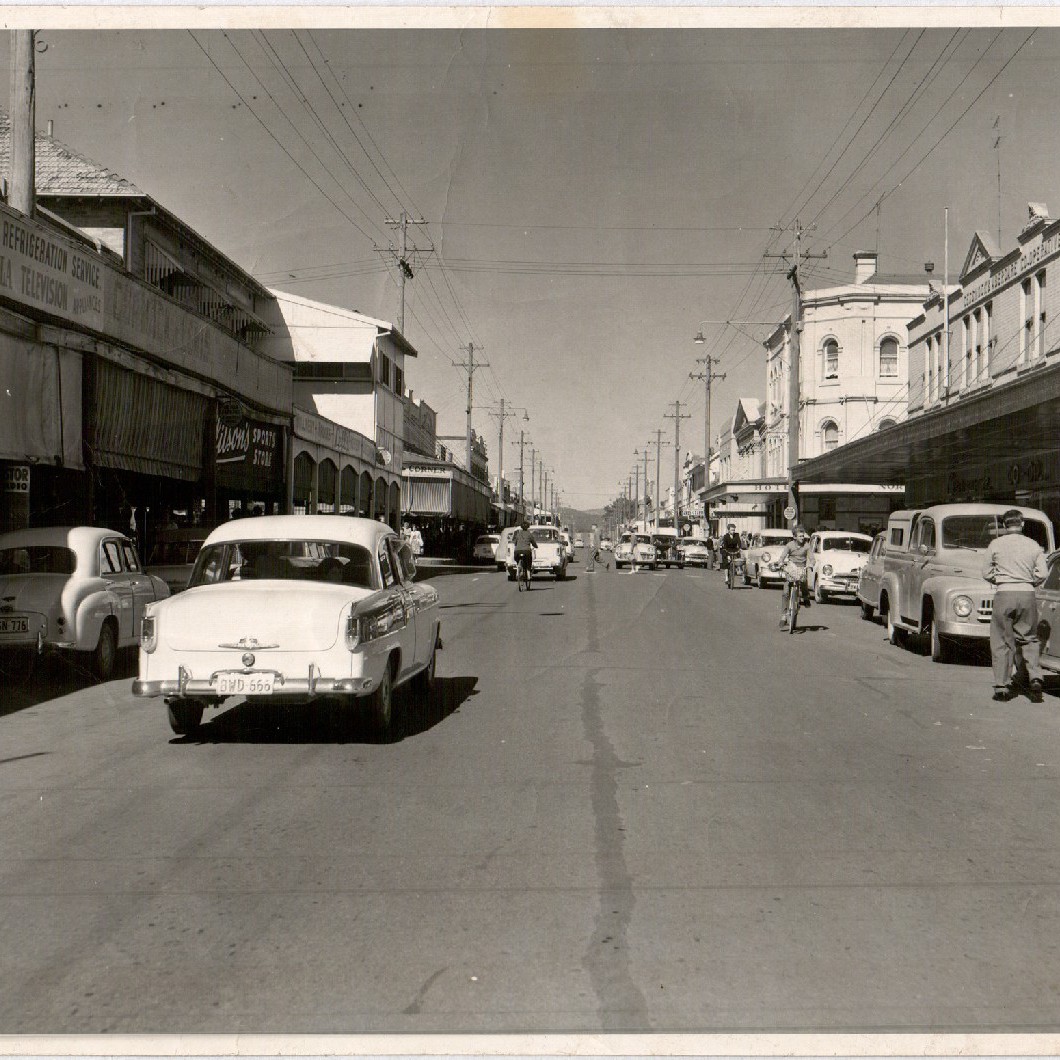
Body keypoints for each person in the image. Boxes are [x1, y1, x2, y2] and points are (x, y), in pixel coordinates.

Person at [982, 508, 1049, 702]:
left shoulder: (996, 544)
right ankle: (1035, 677)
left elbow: (986, 572)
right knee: (1028, 638)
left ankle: (1002, 687)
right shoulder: (1033, 545)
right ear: (1022, 524)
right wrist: (1030, 581)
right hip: (1027, 593)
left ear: (1004, 525)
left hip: (1004, 593)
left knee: (1002, 640)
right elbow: (1043, 573)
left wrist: (1001, 579)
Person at [774, 525, 812, 626]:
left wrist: (811, 564)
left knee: (803, 582)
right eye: (800, 536)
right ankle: (783, 615)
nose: (802, 538)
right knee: (785, 592)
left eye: (803, 536)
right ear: (794, 537)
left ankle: (806, 597)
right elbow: (782, 556)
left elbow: (811, 557)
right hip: (791, 568)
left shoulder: (807, 545)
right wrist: (780, 562)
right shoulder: (789, 545)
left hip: (801, 568)